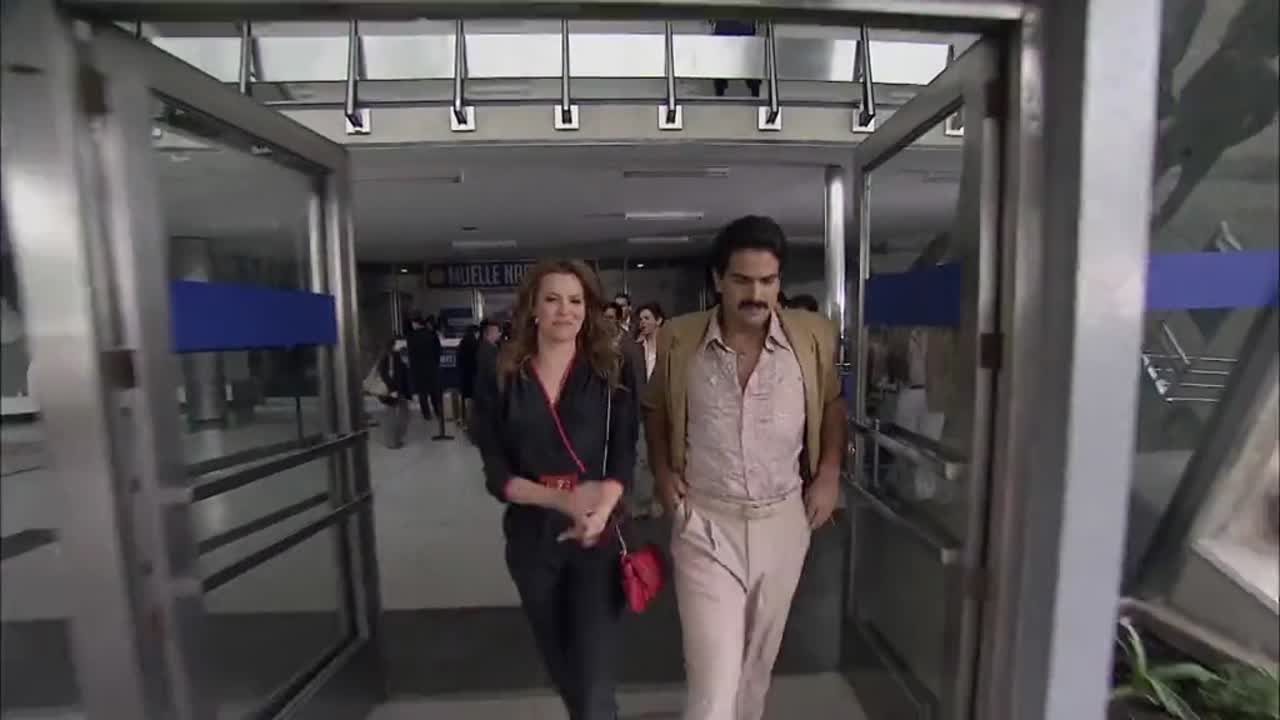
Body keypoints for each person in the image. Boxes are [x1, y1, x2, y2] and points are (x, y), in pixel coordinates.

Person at [642, 215, 846, 720]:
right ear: (718, 280)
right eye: (742, 280)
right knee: (713, 688)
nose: (756, 294)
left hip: (784, 521)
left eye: (767, 281)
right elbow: (656, 409)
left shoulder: (813, 336)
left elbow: (832, 405)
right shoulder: (679, 339)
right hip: (706, 524)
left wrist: (829, 473)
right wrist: (662, 473)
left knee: (755, 676)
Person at [472, 260, 638, 720]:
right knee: (565, 670)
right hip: (532, 536)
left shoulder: (611, 369)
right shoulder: (502, 372)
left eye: (576, 300)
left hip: (598, 534)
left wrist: (599, 510)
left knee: (593, 679)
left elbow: (624, 453)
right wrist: (560, 500)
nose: (565, 310)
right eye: (552, 299)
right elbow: (496, 472)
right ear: (532, 307)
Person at [630, 302, 666, 517]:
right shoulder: (634, 349)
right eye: (640, 319)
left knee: (663, 458)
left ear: (658, 320)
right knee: (642, 457)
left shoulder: (668, 347)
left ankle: (660, 499)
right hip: (642, 412)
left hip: (665, 411)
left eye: (647, 318)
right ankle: (643, 502)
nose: (642, 322)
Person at [408, 314, 448, 439]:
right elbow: (438, 351)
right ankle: (437, 411)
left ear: (416, 323)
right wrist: (435, 363)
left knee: (422, 392)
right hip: (432, 368)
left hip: (419, 369)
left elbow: (411, 354)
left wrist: (413, 368)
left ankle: (426, 414)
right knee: (434, 391)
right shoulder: (432, 334)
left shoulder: (411, 337)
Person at [378, 336, 414, 449]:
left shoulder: (391, 356)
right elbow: (390, 374)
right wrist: (393, 389)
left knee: (397, 414)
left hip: (396, 390)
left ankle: (395, 439)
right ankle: (393, 441)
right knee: (395, 415)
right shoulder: (391, 357)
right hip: (394, 390)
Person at [457, 324, 480, 430]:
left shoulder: (462, 342)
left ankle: (464, 421)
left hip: (464, 375)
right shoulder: (476, 343)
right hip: (473, 375)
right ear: (475, 332)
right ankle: (471, 422)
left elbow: (459, 359)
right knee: (473, 400)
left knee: (465, 399)